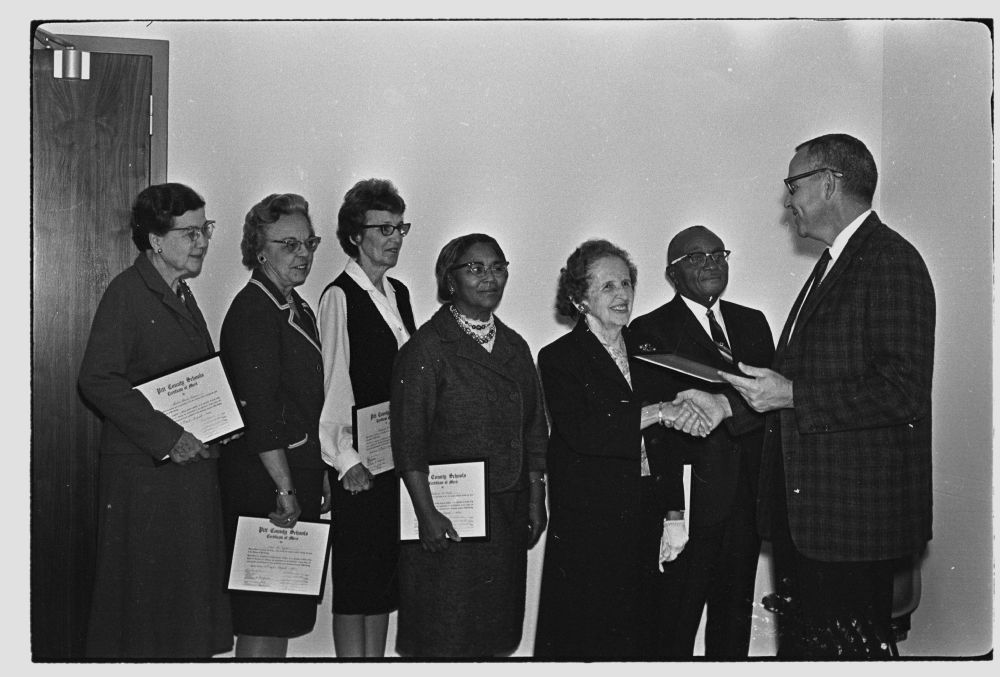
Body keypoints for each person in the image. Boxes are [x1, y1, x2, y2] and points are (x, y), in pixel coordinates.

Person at [716, 133, 935, 657]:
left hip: (851, 531)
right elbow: (795, 385)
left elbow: (902, 391)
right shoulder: (835, 264)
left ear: (831, 183)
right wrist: (726, 404)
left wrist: (791, 395)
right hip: (814, 526)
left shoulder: (890, 261)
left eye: (793, 183)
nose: (787, 199)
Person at [533, 239, 713, 659]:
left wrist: (674, 514)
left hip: (647, 513)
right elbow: (586, 432)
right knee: (590, 636)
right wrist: (660, 411)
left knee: (647, 634)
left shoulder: (649, 353)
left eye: (627, 283)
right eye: (608, 286)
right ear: (580, 298)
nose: (623, 295)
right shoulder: (559, 357)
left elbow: (666, 446)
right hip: (590, 524)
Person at [78, 182, 232, 658]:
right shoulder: (128, 292)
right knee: (147, 616)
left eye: (204, 229)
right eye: (190, 233)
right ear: (156, 241)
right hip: (147, 481)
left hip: (185, 475)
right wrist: (168, 438)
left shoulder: (181, 294)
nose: (203, 242)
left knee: (181, 613)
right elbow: (98, 379)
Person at [389, 234, 547, 657]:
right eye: (475, 268)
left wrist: (536, 498)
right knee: (447, 633)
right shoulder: (427, 348)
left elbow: (534, 430)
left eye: (497, 267)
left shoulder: (515, 345)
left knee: (495, 634)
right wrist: (426, 513)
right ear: (450, 279)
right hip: (449, 521)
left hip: (507, 513)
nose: (489, 277)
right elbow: (408, 442)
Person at [627, 226, 775, 658]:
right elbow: (657, 424)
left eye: (717, 253)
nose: (710, 262)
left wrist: (726, 407)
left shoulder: (753, 322)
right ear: (672, 275)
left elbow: (769, 405)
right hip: (689, 507)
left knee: (733, 631)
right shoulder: (650, 330)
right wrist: (671, 508)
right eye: (695, 257)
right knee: (674, 627)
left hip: (747, 501)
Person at [219, 193, 331, 658]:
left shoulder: (294, 306)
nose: (303, 254)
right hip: (266, 485)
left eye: (309, 243)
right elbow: (259, 411)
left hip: (292, 475)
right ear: (259, 250)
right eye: (289, 244)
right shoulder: (253, 311)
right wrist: (285, 489)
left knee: (281, 613)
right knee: (262, 617)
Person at [317, 179, 416, 657]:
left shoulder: (398, 292)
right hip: (357, 464)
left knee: (382, 581)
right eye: (384, 228)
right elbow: (334, 382)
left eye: (400, 227)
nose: (395, 237)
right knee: (356, 585)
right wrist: (345, 458)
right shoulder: (338, 297)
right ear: (356, 235)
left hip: (393, 457)